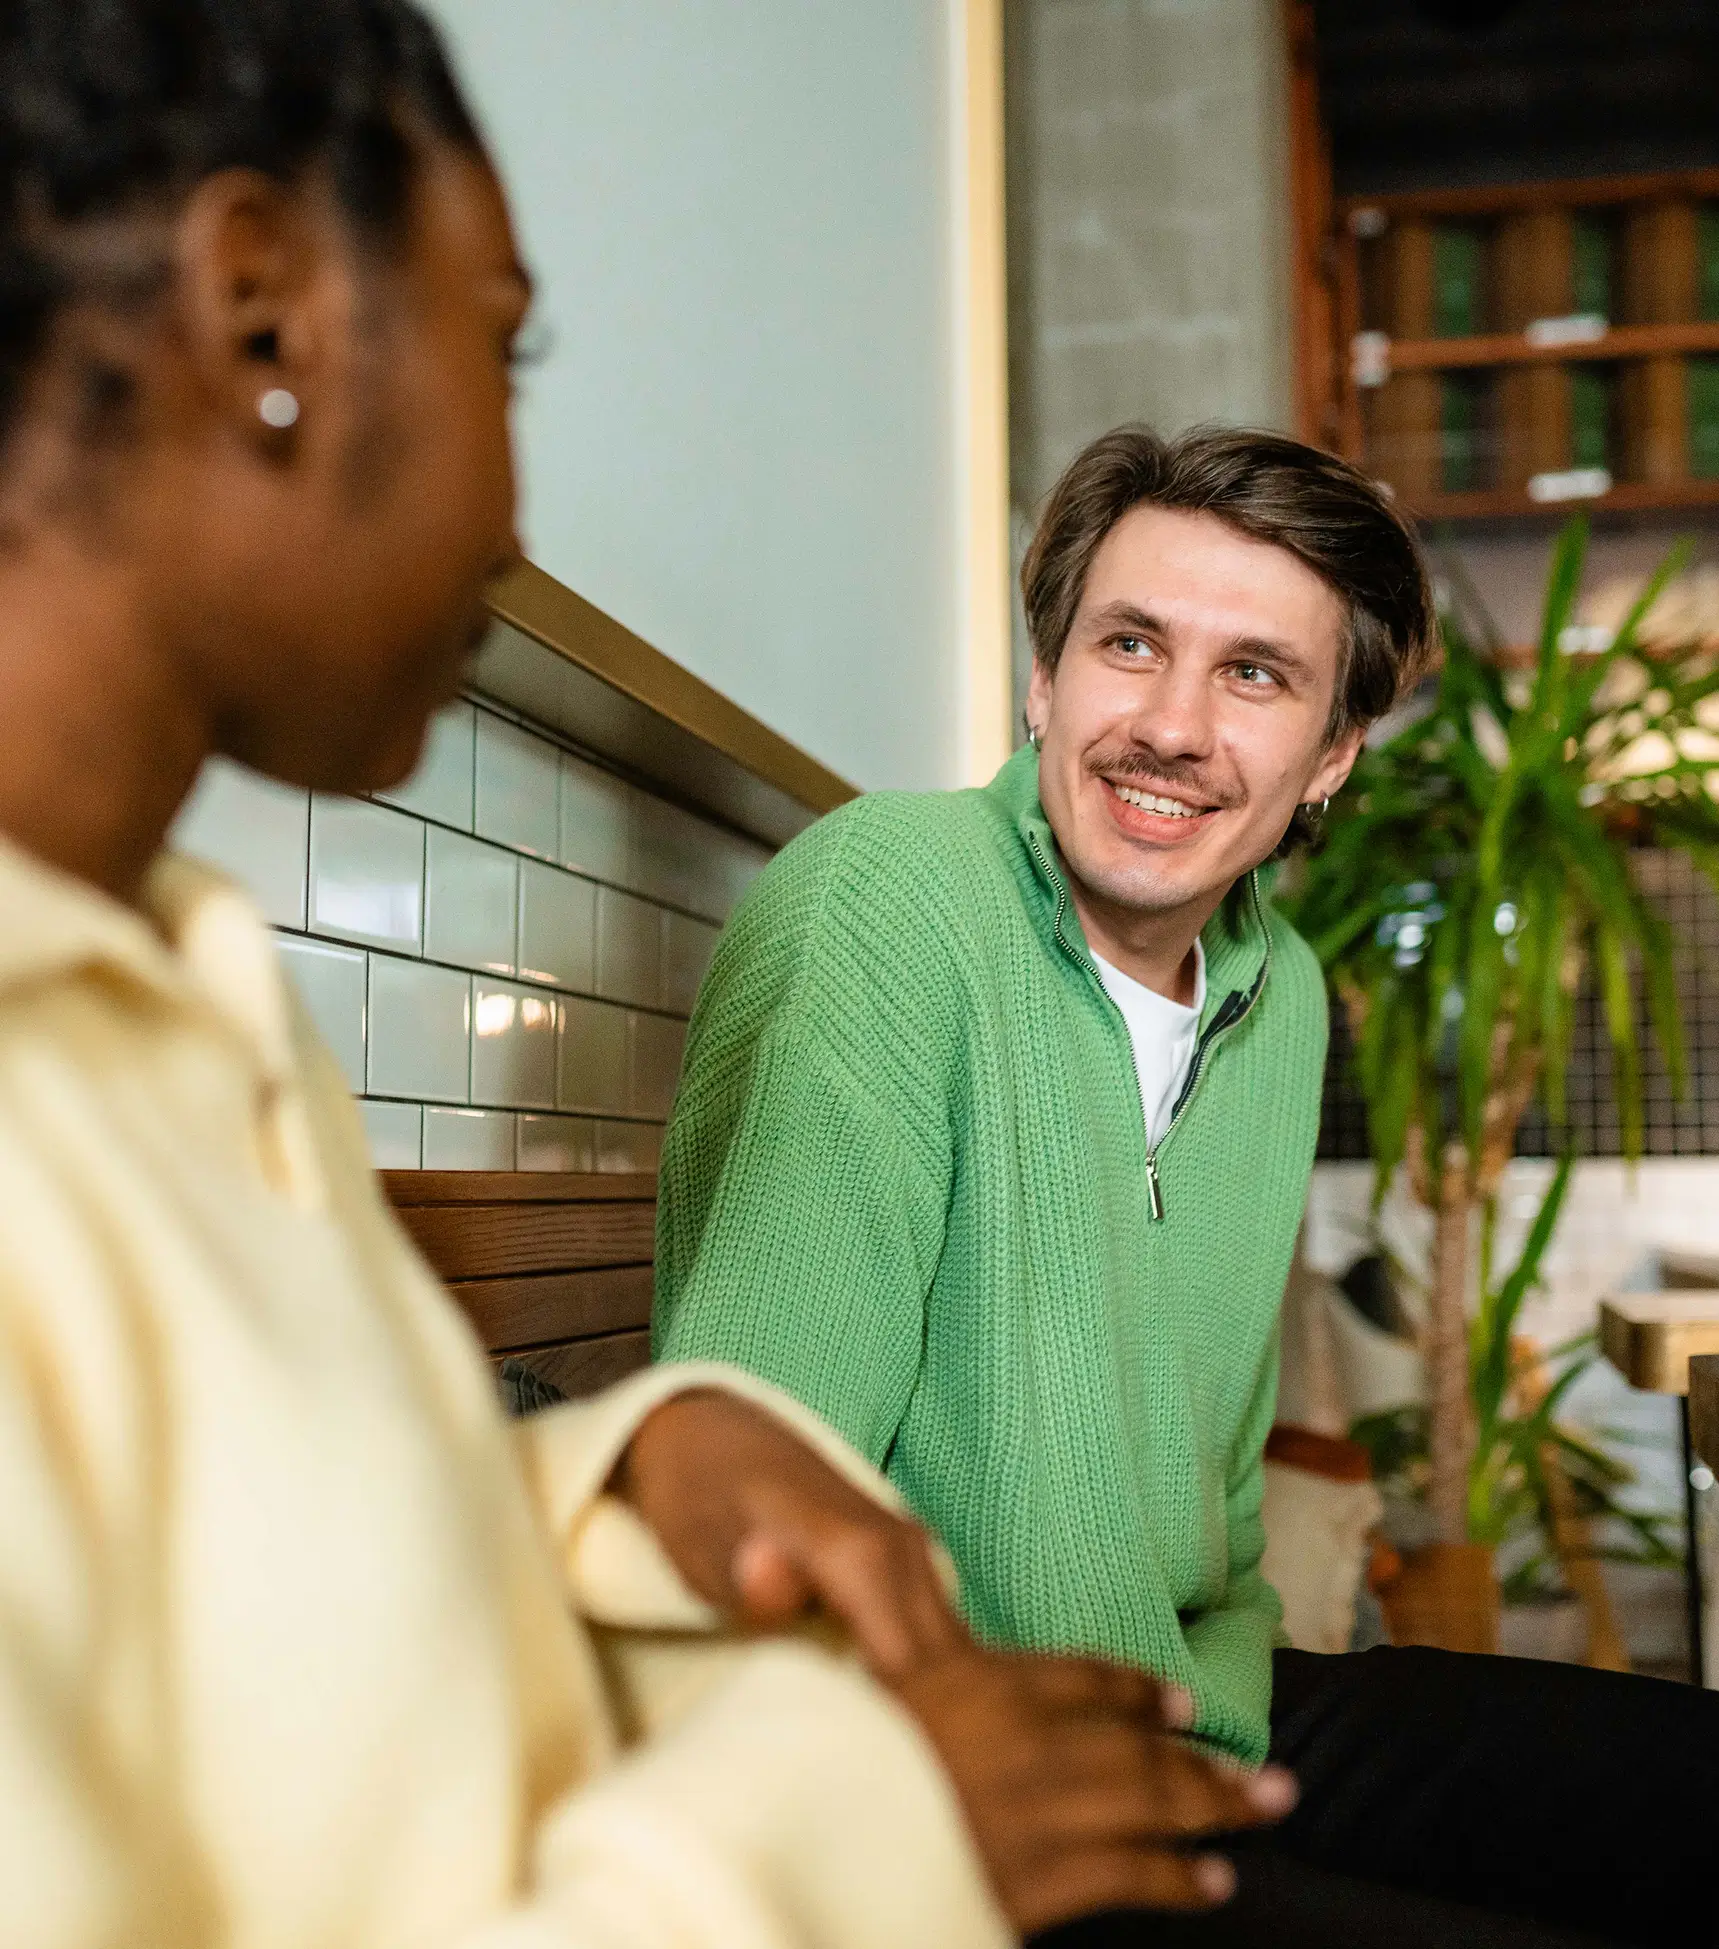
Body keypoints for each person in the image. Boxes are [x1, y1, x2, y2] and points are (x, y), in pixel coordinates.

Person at [0, 5, 1301, 1944]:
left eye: (1261, 677)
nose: (519, 512)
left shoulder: (190, 996)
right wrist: (863, 1825)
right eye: (501, 345)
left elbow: (264, 1618)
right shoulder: (892, 901)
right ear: (259, 319)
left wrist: (618, 1462)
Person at [654, 423, 1719, 1947]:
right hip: (949, 1776)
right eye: (1130, 645)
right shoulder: (887, 899)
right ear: (1042, 681)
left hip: (1200, 1704)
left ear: (1330, 758)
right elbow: (757, 1485)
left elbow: (1207, 1498)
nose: (1170, 724)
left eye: (1254, 675)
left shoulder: (1275, 997)